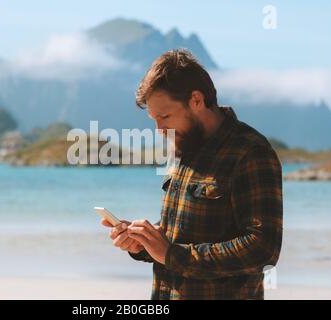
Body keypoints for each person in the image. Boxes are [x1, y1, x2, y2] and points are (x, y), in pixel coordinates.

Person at [101, 49, 283, 300]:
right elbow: (179, 237)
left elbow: (263, 249)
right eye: (154, 119)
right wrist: (144, 243)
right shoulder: (182, 146)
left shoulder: (251, 152)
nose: (160, 130)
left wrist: (172, 255)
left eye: (165, 117)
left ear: (196, 101)